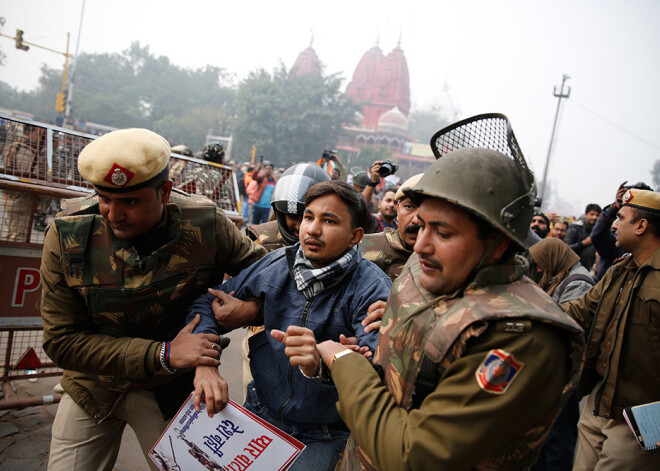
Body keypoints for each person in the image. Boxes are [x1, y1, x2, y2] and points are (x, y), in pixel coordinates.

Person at [287, 115, 585, 470]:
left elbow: (415, 457)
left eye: (443, 233)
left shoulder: (523, 336)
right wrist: (358, 359)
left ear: (498, 242)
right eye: (421, 225)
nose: (422, 245)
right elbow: (403, 381)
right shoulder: (429, 272)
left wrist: (346, 365)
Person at [40, 128, 267, 471]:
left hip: (170, 391)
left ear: (164, 192)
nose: (113, 215)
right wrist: (165, 353)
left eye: (130, 202)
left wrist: (251, 309)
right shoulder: (69, 233)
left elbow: (270, 277)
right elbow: (61, 342)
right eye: (104, 199)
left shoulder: (205, 225)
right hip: (94, 384)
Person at [187, 180, 392, 471]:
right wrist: (205, 363)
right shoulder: (278, 264)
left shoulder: (371, 288)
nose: (312, 229)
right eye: (309, 217)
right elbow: (205, 304)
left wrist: (326, 364)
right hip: (260, 410)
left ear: (355, 236)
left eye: (329, 220)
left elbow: (377, 371)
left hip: (324, 433)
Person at [565, 188, 660, 470]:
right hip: (599, 401)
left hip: (640, 416)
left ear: (641, 226)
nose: (613, 225)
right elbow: (580, 310)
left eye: (620, 218)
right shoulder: (620, 269)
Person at [528, 238, 595, 470]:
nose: (538, 269)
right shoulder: (559, 276)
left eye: (541, 262)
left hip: (564, 368)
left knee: (559, 434)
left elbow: (568, 324)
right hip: (553, 367)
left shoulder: (579, 282)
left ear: (554, 256)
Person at [246, 163, 330, 251]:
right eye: (293, 216)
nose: (299, 227)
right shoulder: (260, 240)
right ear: (281, 214)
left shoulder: (332, 247)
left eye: (309, 218)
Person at [361, 174, 422, 280]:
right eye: (409, 207)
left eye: (425, 210)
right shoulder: (362, 249)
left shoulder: (446, 262)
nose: (416, 219)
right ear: (398, 209)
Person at [591, 181, 653, 280]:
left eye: (622, 218)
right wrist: (615, 206)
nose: (616, 226)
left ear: (641, 226)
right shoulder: (616, 245)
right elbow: (598, 236)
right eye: (618, 217)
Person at [1, 124, 46, 241]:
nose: (41, 139)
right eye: (38, 135)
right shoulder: (24, 150)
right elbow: (27, 174)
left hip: (11, 196)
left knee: (9, 232)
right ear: (27, 133)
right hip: (20, 199)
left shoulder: (14, 147)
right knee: (18, 236)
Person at [565, 203, 602, 271]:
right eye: (592, 214)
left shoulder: (598, 231)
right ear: (586, 215)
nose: (594, 217)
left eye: (597, 215)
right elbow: (566, 249)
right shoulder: (575, 228)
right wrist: (583, 243)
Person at [249, 160, 277, 224]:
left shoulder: (274, 180)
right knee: (254, 224)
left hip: (267, 207)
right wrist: (258, 168)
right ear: (264, 169)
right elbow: (253, 176)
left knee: (265, 225)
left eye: (270, 169)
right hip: (257, 205)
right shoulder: (261, 177)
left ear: (272, 170)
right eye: (267, 168)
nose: (268, 170)